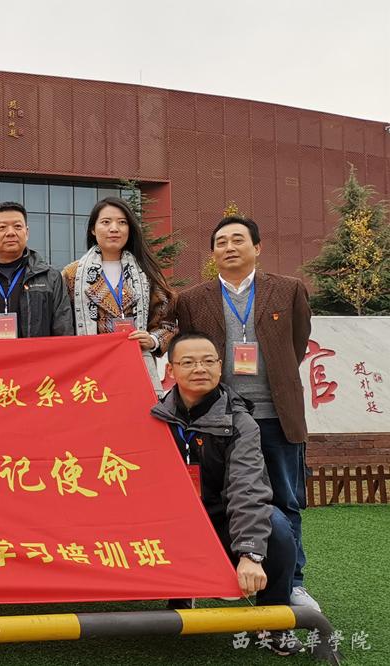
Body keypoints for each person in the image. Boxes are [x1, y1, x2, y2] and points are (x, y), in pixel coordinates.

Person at [172, 216, 317, 611]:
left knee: (284, 501)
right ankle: (219, 572)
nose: (230, 247)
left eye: (238, 239)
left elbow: (297, 343)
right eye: (221, 242)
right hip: (218, 418)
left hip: (275, 414)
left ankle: (293, 581)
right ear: (212, 253)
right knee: (218, 498)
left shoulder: (288, 290)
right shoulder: (193, 298)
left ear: (257, 247)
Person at [151, 333, 302, 656]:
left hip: (222, 519)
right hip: (170, 522)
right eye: (188, 362)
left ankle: (274, 620)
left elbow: (247, 487)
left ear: (220, 367)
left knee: (276, 526)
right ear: (171, 370)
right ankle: (181, 594)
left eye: (208, 361)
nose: (199, 369)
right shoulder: (153, 417)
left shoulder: (241, 423)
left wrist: (250, 554)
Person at [61, 197, 176, 394]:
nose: (114, 228)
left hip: (135, 365)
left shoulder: (147, 273)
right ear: (93, 229)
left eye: (122, 222)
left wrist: (153, 340)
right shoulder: (71, 275)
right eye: (106, 222)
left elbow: (168, 323)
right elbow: (61, 325)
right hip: (89, 368)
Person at [0, 201, 73, 338]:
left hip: (36, 353)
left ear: (26, 232)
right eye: (2, 227)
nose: (10, 233)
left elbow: (63, 332)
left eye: (17, 226)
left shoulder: (51, 278)